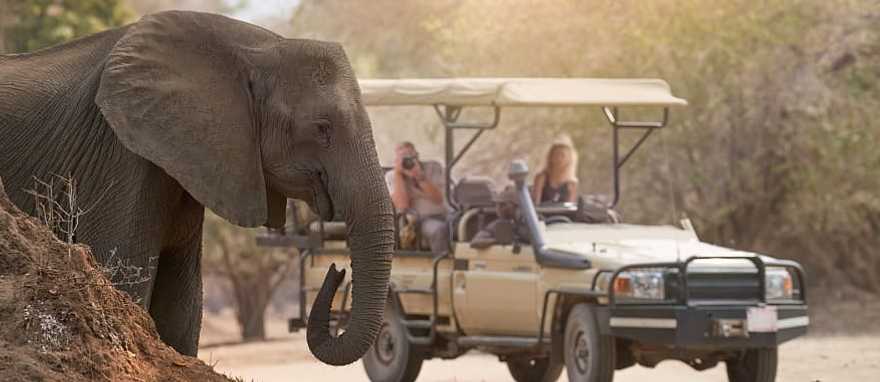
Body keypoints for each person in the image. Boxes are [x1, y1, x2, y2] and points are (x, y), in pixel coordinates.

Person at [385, 141, 450, 255]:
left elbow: (439, 199)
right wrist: (399, 174)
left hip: (439, 216)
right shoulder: (392, 176)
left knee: (446, 226)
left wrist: (419, 176)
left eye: (410, 156)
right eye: (402, 157)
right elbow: (402, 206)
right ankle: (442, 269)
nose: (407, 161)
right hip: (412, 221)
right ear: (396, 159)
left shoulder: (433, 167)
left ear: (417, 156)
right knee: (438, 230)